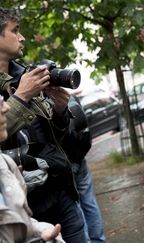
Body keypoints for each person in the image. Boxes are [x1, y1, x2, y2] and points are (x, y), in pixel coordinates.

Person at [0, 7, 87, 242]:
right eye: (15, 31)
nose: (22, 37)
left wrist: (60, 111)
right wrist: (21, 97)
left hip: (59, 190)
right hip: (23, 206)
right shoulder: (26, 85)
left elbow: (53, 137)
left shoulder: (26, 75)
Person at [0, 95, 64, 242]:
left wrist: (42, 231)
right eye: (0, 102)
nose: (7, 107)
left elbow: (21, 223)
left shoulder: (6, 163)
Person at [61, 95, 106, 243]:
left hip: (64, 164)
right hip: (80, 159)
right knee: (89, 202)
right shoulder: (67, 94)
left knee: (76, 209)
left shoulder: (40, 101)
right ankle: (99, 240)